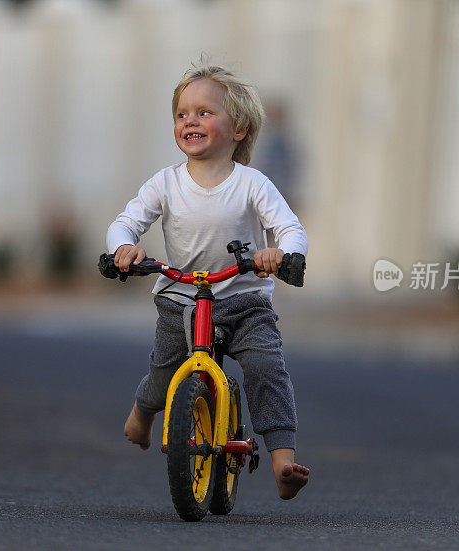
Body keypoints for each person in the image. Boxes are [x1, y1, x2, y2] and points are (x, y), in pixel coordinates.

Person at [105, 62, 309, 500]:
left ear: (239, 129)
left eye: (204, 112)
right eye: (182, 114)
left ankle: (282, 462)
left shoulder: (253, 184)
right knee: (164, 374)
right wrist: (124, 248)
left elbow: (290, 229)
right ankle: (143, 411)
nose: (190, 121)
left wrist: (282, 254)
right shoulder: (165, 183)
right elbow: (126, 223)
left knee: (265, 367)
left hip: (244, 299)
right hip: (181, 298)